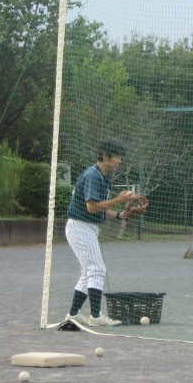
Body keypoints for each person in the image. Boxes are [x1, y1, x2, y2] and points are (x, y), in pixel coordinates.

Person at [64, 139, 138, 326]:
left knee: (88, 272)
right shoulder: (93, 175)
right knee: (97, 269)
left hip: (85, 227)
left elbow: (101, 207)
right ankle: (96, 316)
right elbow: (91, 207)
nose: (120, 161)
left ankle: (73, 314)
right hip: (80, 226)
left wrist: (120, 215)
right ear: (105, 156)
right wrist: (118, 200)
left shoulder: (102, 177)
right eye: (117, 157)